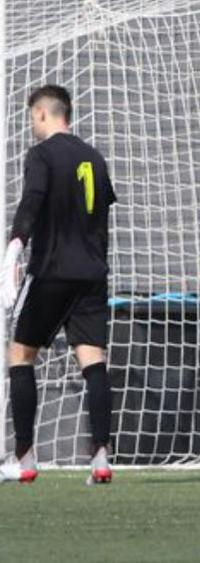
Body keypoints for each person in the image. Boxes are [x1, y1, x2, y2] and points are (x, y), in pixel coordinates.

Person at [0, 85, 117, 486]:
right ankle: (100, 458)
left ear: (43, 115)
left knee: (20, 356)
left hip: (51, 273)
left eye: (33, 117)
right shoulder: (95, 157)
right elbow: (102, 218)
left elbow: (32, 199)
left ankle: (25, 458)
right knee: (93, 361)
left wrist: (15, 247)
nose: (32, 124)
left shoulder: (42, 155)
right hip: (92, 275)